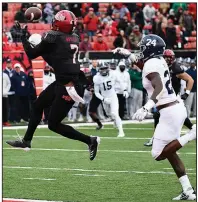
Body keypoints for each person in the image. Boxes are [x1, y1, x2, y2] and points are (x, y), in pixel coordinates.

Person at [6, 10, 100, 161]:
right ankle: (26, 141)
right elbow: (53, 56)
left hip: (69, 86)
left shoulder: (53, 37)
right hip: (64, 81)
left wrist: (24, 38)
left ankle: (90, 140)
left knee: (53, 124)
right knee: (38, 105)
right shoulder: (74, 37)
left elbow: (32, 54)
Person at [114, 35, 196, 200]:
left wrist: (146, 107)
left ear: (150, 48)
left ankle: (193, 134)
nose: (142, 49)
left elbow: (157, 86)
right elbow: (144, 66)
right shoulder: (158, 61)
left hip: (169, 111)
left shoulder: (152, 64)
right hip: (173, 108)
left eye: (143, 47)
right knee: (171, 153)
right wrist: (128, 54)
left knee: (158, 154)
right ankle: (188, 191)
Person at [144, 49, 195, 147]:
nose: (166, 59)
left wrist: (186, 93)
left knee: (164, 115)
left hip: (173, 98)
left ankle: (156, 138)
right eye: (164, 57)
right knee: (163, 116)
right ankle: (193, 129)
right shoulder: (161, 66)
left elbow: (190, 80)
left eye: (168, 58)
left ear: (172, 58)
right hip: (165, 97)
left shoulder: (175, 68)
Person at [93, 62, 125, 137]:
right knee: (109, 114)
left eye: (105, 68)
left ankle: (121, 131)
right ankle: (115, 120)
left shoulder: (113, 74)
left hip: (113, 96)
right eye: (102, 69)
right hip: (105, 98)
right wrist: (103, 99)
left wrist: (125, 90)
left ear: (108, 68)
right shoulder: (97, 78)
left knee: (115, 113)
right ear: (98, 69)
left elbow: (120, 81)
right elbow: (96, 93)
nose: (104, 70)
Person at [3, 59, 17, 123]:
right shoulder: (4, 72)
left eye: (10, 63)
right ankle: (6, 119)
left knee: (13, 106)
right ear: (6, 64)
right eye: (8, 63)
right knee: (6, 107)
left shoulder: (14, 72)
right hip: (5, 92)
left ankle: (13, 119)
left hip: (13, 91)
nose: (9, 64)